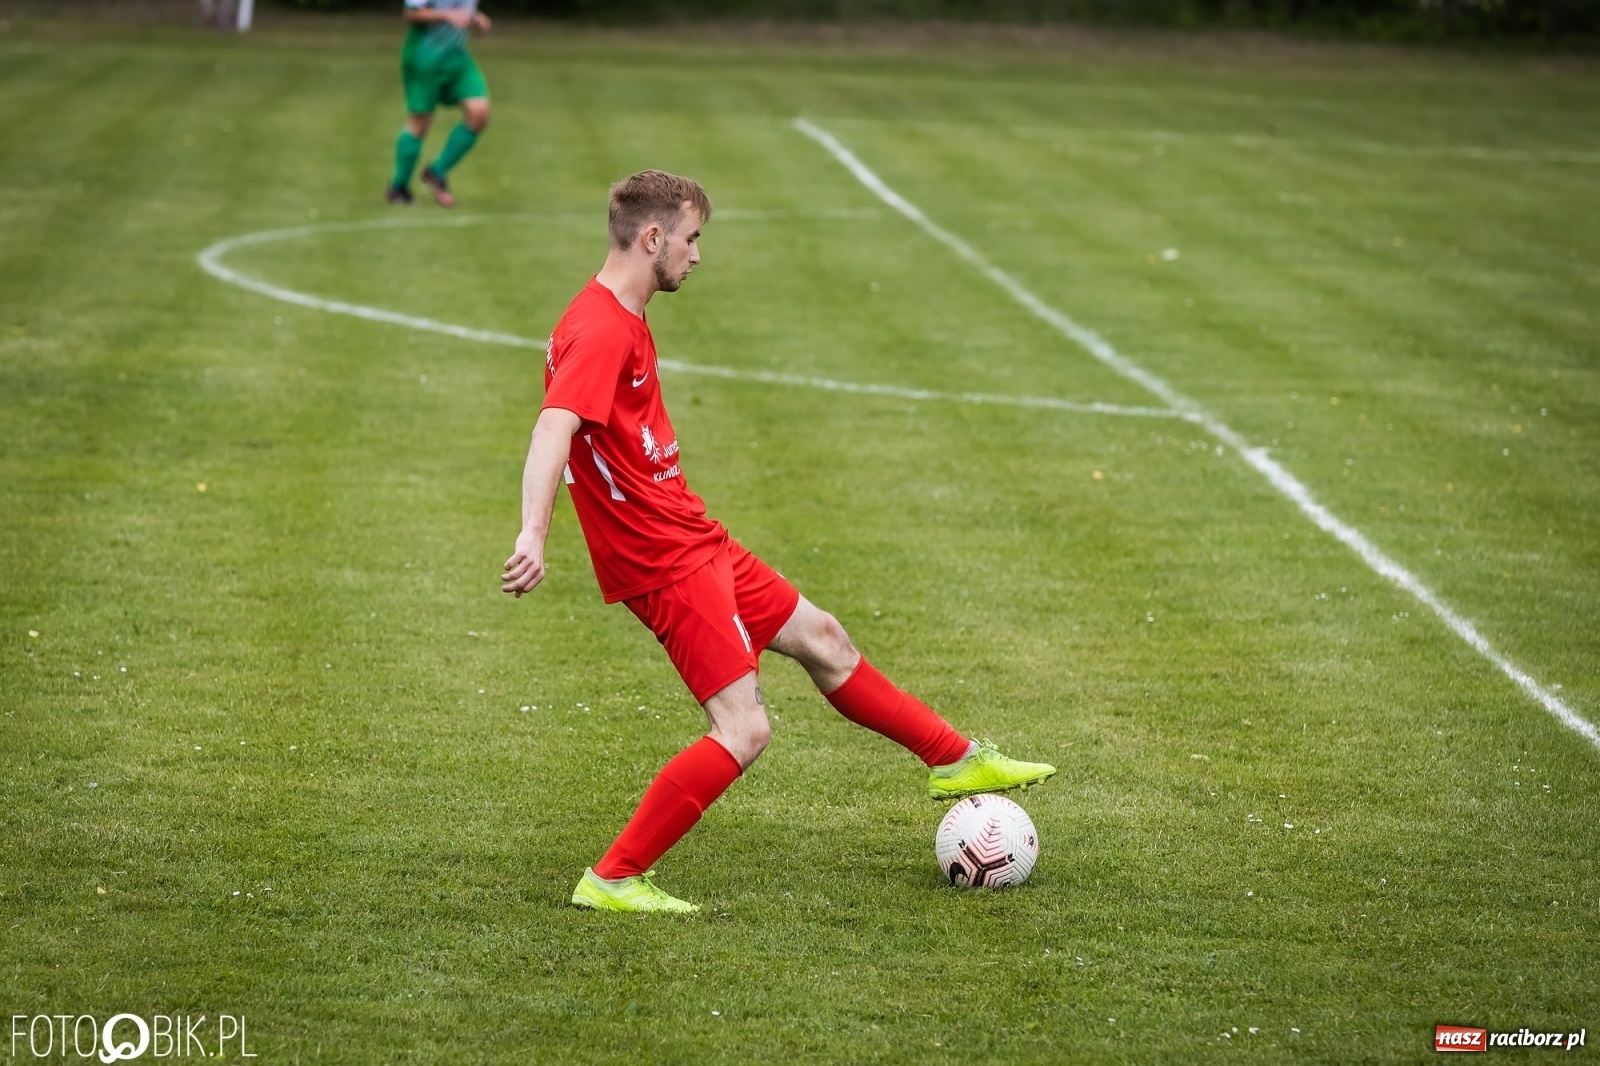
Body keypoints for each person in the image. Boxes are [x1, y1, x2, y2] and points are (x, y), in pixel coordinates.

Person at [501, 170, 1057, 915]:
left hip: (692, 534)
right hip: (664, 559)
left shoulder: (618, 314)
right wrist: (534, 533)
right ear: (653, 237)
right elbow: (553, 427)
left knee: (824, 638)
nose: (698, 255)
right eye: (691, 239)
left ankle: (954, 760)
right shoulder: (601, 330)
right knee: (744, 728)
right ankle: (613, 878)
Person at [385, 0, 491, 208]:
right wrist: (446, 15)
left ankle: (436, 172)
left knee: (479, 114)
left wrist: (477, 18)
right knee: (420, 123)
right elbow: (411, 14)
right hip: (425, 56)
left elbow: (463, 9)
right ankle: (398, 187)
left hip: (457, 58)